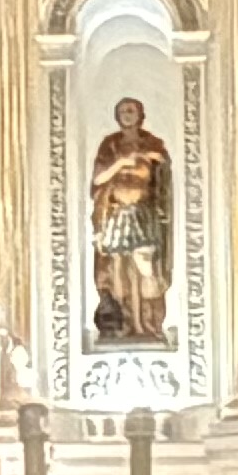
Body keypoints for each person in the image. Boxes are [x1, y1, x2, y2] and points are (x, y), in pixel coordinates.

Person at [87, 96, 176, 347]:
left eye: (131, 110)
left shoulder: (152, 144)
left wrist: (148, 157)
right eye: (123, 111)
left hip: (142, 213)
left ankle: (145, 322)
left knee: (143, 267)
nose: (127, 114)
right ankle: (122, 322)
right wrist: (122, 162)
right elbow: (98, 178)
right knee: (117, 271)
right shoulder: (110, 145)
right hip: (116, 215)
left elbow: (161, 172)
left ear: (140, 115)